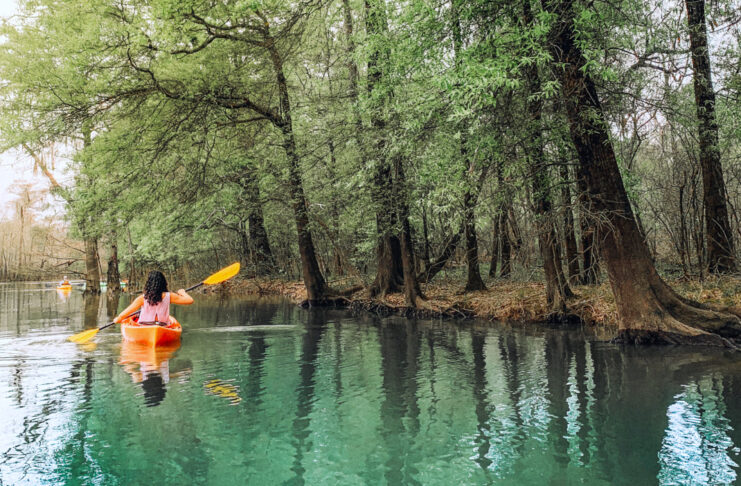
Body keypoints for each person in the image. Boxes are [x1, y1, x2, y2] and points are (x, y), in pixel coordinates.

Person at [114, 270, 193, 326]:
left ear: (149, 283)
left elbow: (123, 315)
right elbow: (190, 300)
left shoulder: (142, 298)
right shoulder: (170, 296)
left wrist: (118, 319)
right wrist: (182, 292)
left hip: (144, 325)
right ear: (163, 283)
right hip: (163, 325)